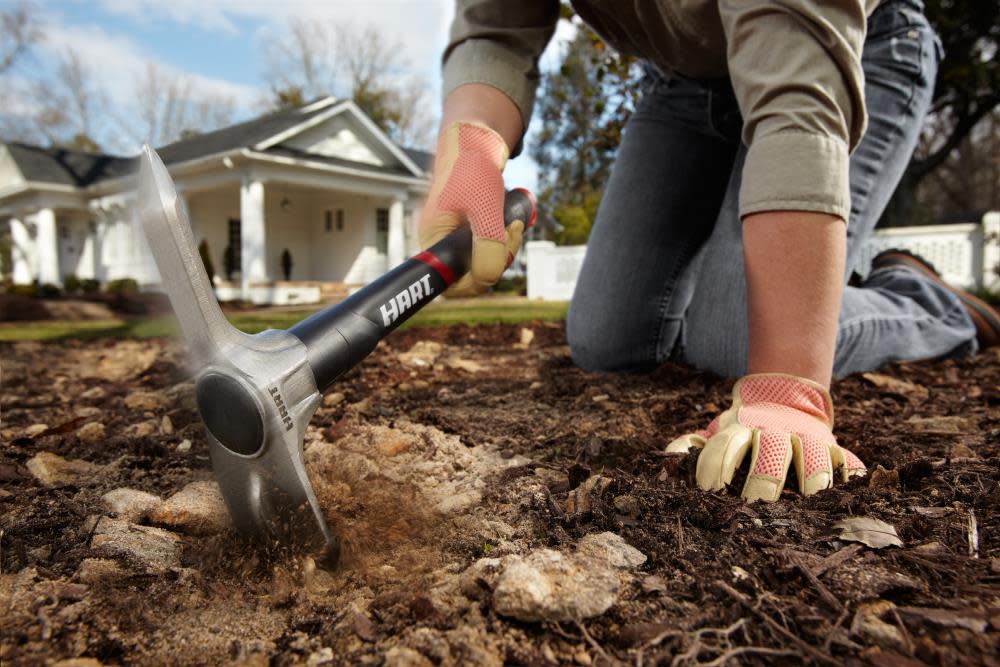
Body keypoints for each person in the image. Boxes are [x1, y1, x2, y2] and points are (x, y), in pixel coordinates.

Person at [418, 0, 999, 502]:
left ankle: (927, 304)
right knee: (606, 338)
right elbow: (496, 27)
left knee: (736, 340)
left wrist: (791, 388)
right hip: (686, 81)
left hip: (848, 47)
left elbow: (799, 106)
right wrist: (472, 140)